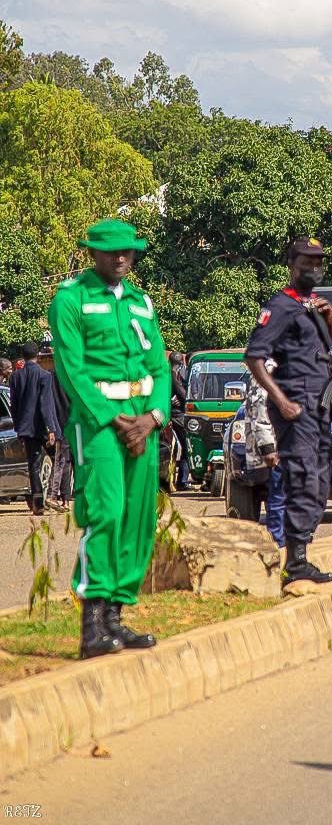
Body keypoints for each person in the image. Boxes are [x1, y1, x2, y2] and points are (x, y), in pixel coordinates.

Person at [48, 219, 171, 659]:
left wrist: (153, 417)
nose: (120, 257)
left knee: (137, 518)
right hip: (98, 421)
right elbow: (70, 368)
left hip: (143, 419)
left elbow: (160, 367)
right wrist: (113, 418)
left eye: (127, 251)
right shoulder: (71, 298)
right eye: (111, 251)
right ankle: (92, 625)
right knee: (106, 511)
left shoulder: (142, 302)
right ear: (92, 253)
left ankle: (116, 617)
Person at [244, 237, 332, 588]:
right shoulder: (281, 306)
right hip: (297, 406)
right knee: (303, 479)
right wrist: (281, 401)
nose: (314, 268)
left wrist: (330, 323)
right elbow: (254, 357)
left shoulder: (315, 307)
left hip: (321, 407)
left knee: (323, 479)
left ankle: (301, 552)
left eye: (318, 262)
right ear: (292, 265)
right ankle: (295, 562)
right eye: (307, 262)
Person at [9, 341, 59, 516]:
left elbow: (14, 405)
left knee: (33, 465)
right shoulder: (45, 375)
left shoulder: (15, 377)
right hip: (42, 426)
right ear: (37, 355)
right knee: (57, 460)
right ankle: (51, 495)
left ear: (23, 356)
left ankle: (38, 503)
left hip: (25, 427)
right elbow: (46, 404)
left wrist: (18, 427)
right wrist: (51, 428)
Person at [245, 358, 285, 548]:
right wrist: (269, 449)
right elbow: (261, 410)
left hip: (291, 444)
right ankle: (279, 545)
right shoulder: (269, 368)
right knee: (279, 498)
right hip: (277, 448)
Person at [47, 372, 73, 510]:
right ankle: (65, 498)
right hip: (73, 423)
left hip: (59, 424)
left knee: (62, 461)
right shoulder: (74, 374)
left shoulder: (51, 377)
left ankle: (58, 497)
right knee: (67, 462)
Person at [169, 352, 191, 491]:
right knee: (188, 446)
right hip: (177, 415)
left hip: (174, 413)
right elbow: (183, 395)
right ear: (181, 362)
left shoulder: (172, 374)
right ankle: (182, 481)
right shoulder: (172, 375)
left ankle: (181, 480)